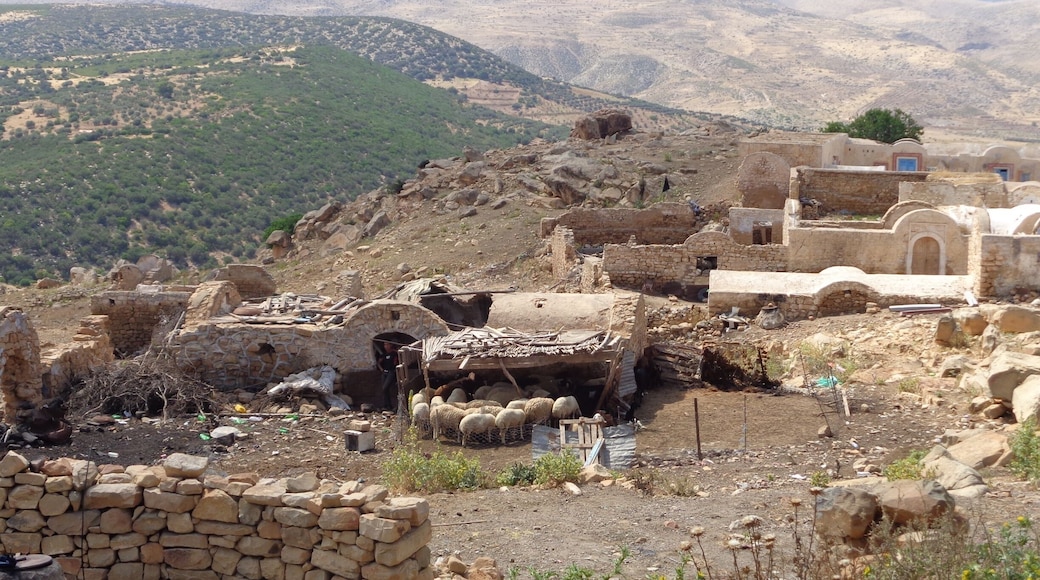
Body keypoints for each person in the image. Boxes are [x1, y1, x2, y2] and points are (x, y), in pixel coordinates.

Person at [378, 342, 400, 411]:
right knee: (384, 389)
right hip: (385, 372)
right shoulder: (384, 354)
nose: (386, 346)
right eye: (384, 345)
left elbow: (398, 360)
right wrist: (381, 369)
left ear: (391, 345)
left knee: (385, 388)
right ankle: (387, 406)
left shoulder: (394, 353)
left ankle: (390, 405)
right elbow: (379, 362)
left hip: (391, 372)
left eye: (387, 345)